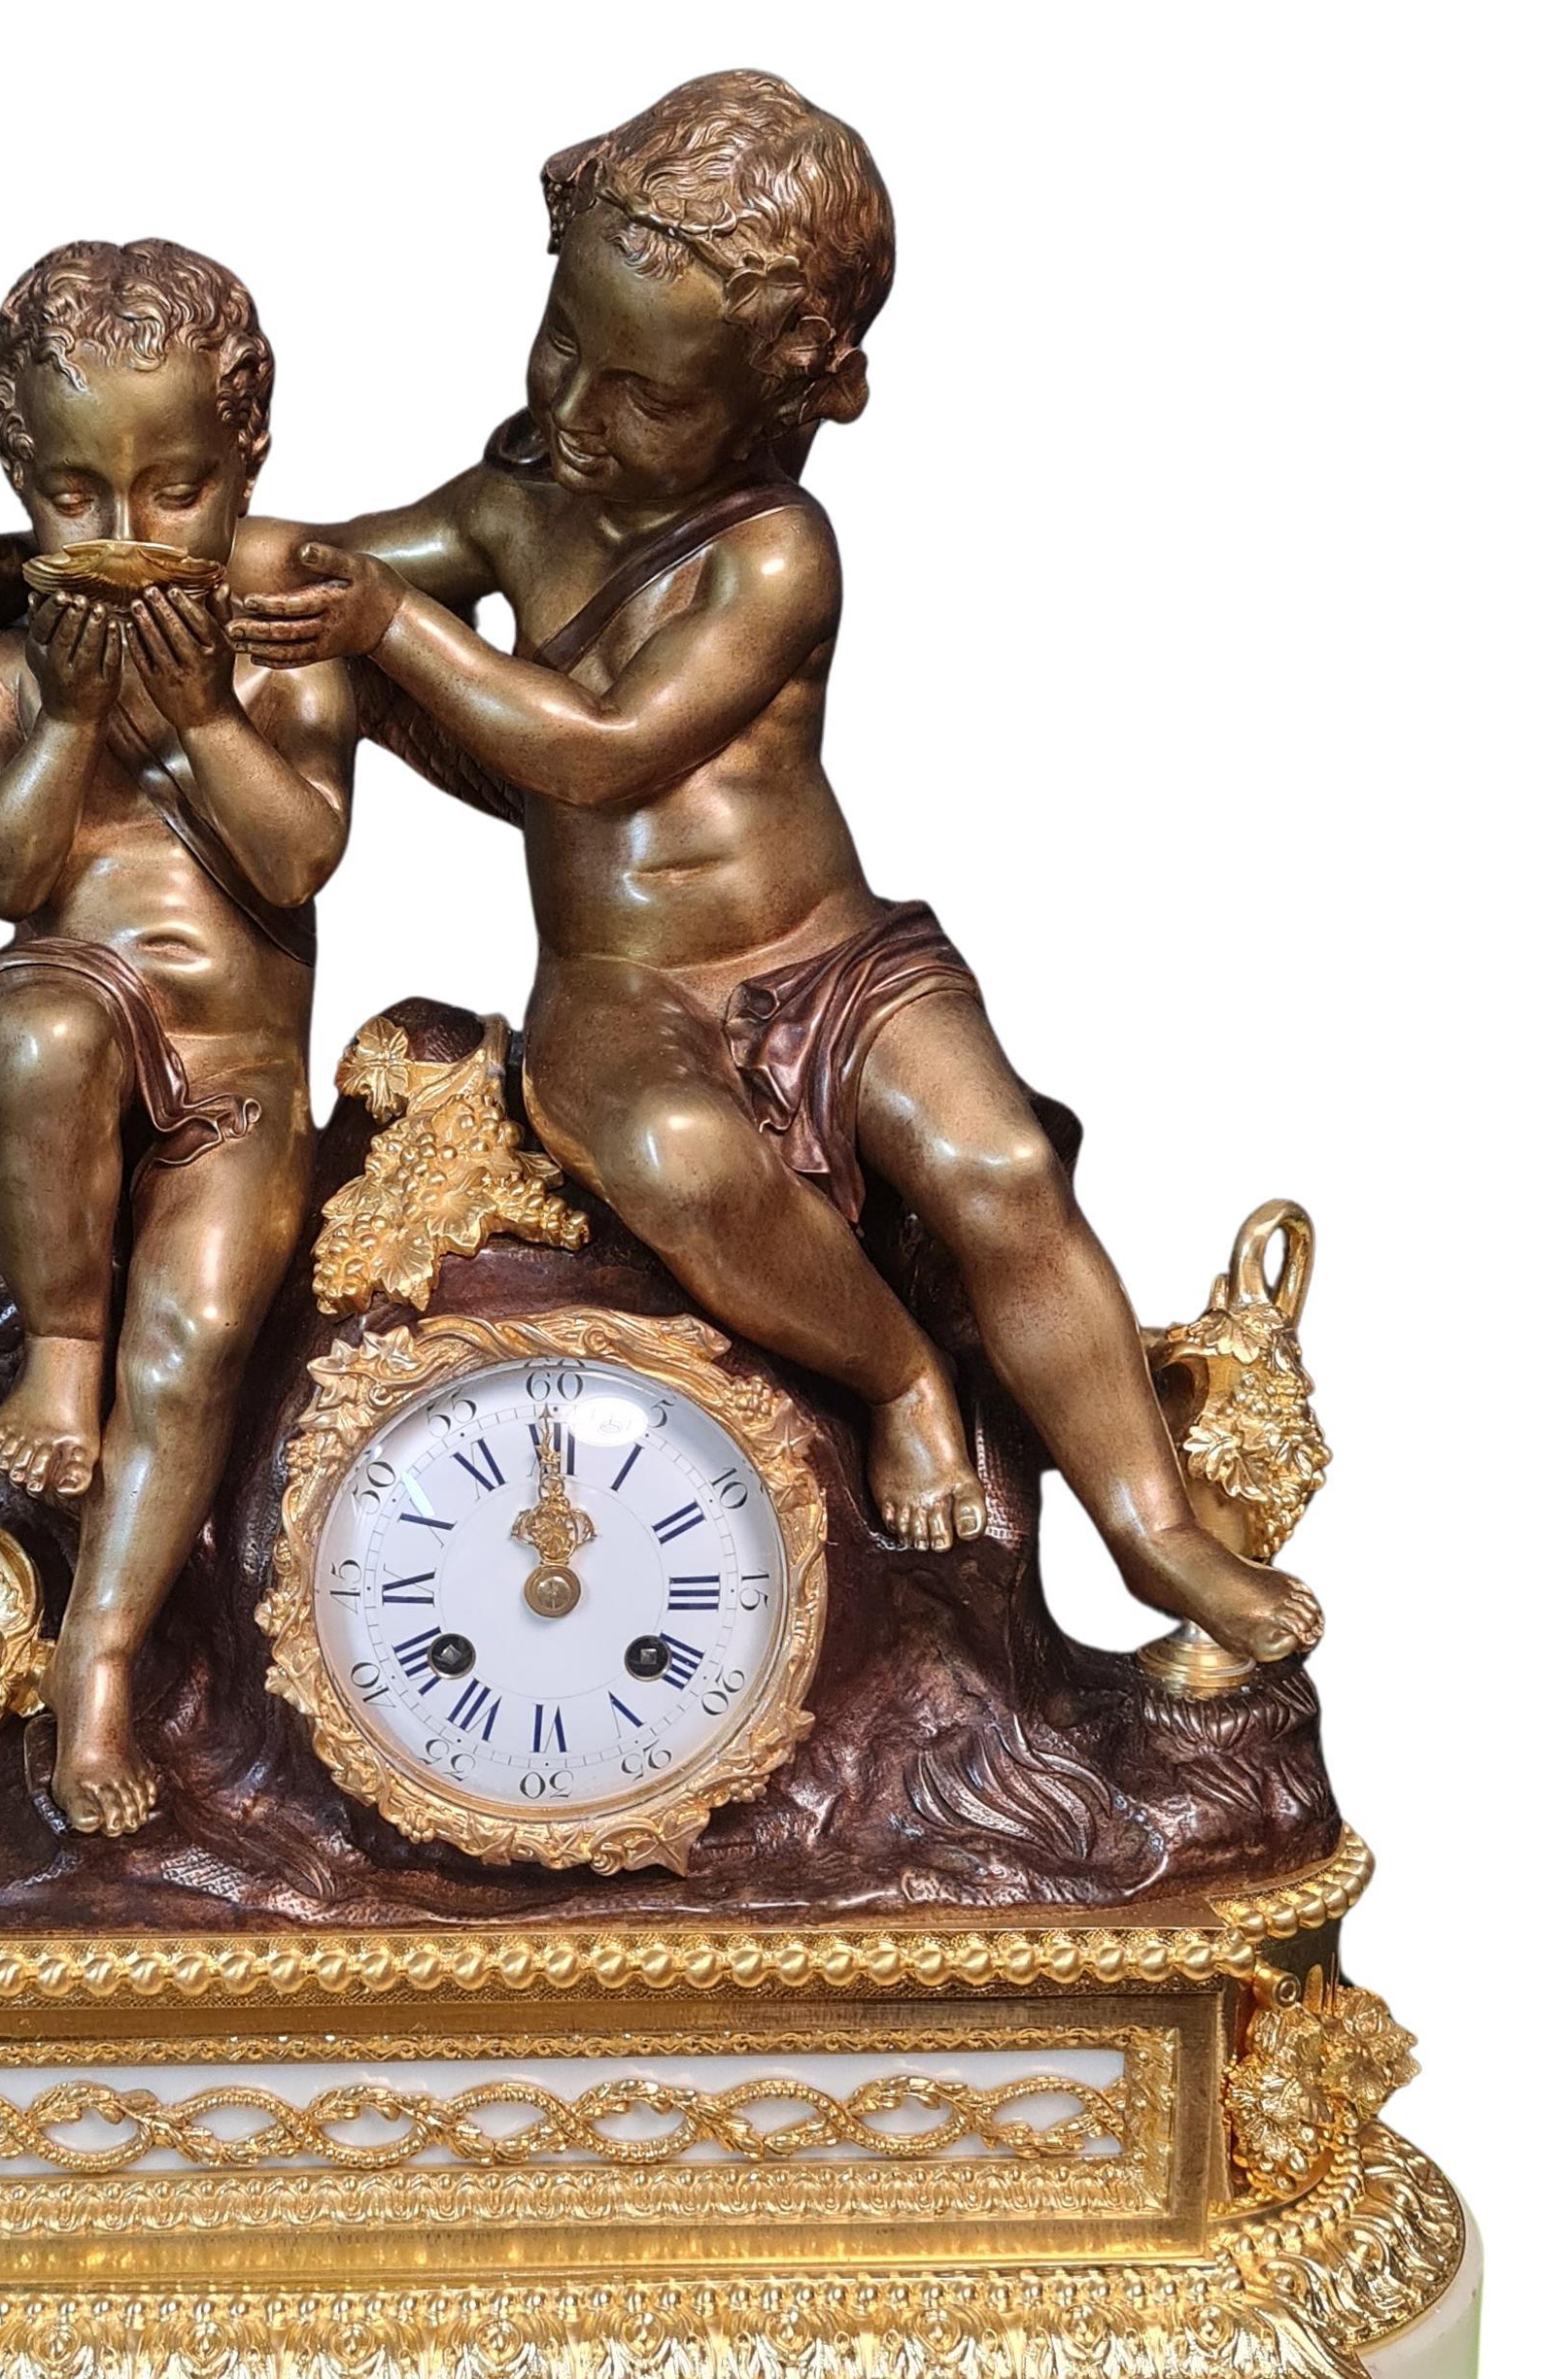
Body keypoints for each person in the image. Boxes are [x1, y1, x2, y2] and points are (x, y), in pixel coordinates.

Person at [230, 74, 1316, 1665]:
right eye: (562, 346)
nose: (581, 413)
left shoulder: (775, 552)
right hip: (622, 990)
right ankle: (897, 1375)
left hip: (832, 956)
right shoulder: (521, 505)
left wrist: (390, 627)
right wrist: (127, 562)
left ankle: (1155, 1533)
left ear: (773, 401)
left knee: (1003, 1170)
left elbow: (603, 753)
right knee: (678, 1162)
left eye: (647, 395)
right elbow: (309, 558)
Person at [0, 238, 358, 1831]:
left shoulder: (286, 650)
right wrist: (75, 718)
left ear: (247, 461)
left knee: (203, 1331)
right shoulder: (4, 671)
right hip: (67, 1030)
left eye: (176, 491)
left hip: (237, 1078)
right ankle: (59, 1339)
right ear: (17, 481)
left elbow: (293, 861)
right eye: (75, 496)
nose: (124, 537)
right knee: (41, 1025)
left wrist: (201, 719)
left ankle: (95, 1664)